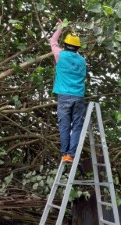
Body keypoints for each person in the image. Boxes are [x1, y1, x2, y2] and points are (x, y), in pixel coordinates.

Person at [50, 20, 87, 163]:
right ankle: (71, 155)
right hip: (78, 97)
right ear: (77, 48)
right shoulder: (82, 61)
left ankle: (65, 154)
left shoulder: (60, 54)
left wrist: (61, 27)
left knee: (65, 126)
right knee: (76, 126)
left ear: (64, 44)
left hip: (64, 97)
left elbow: (53, 40)